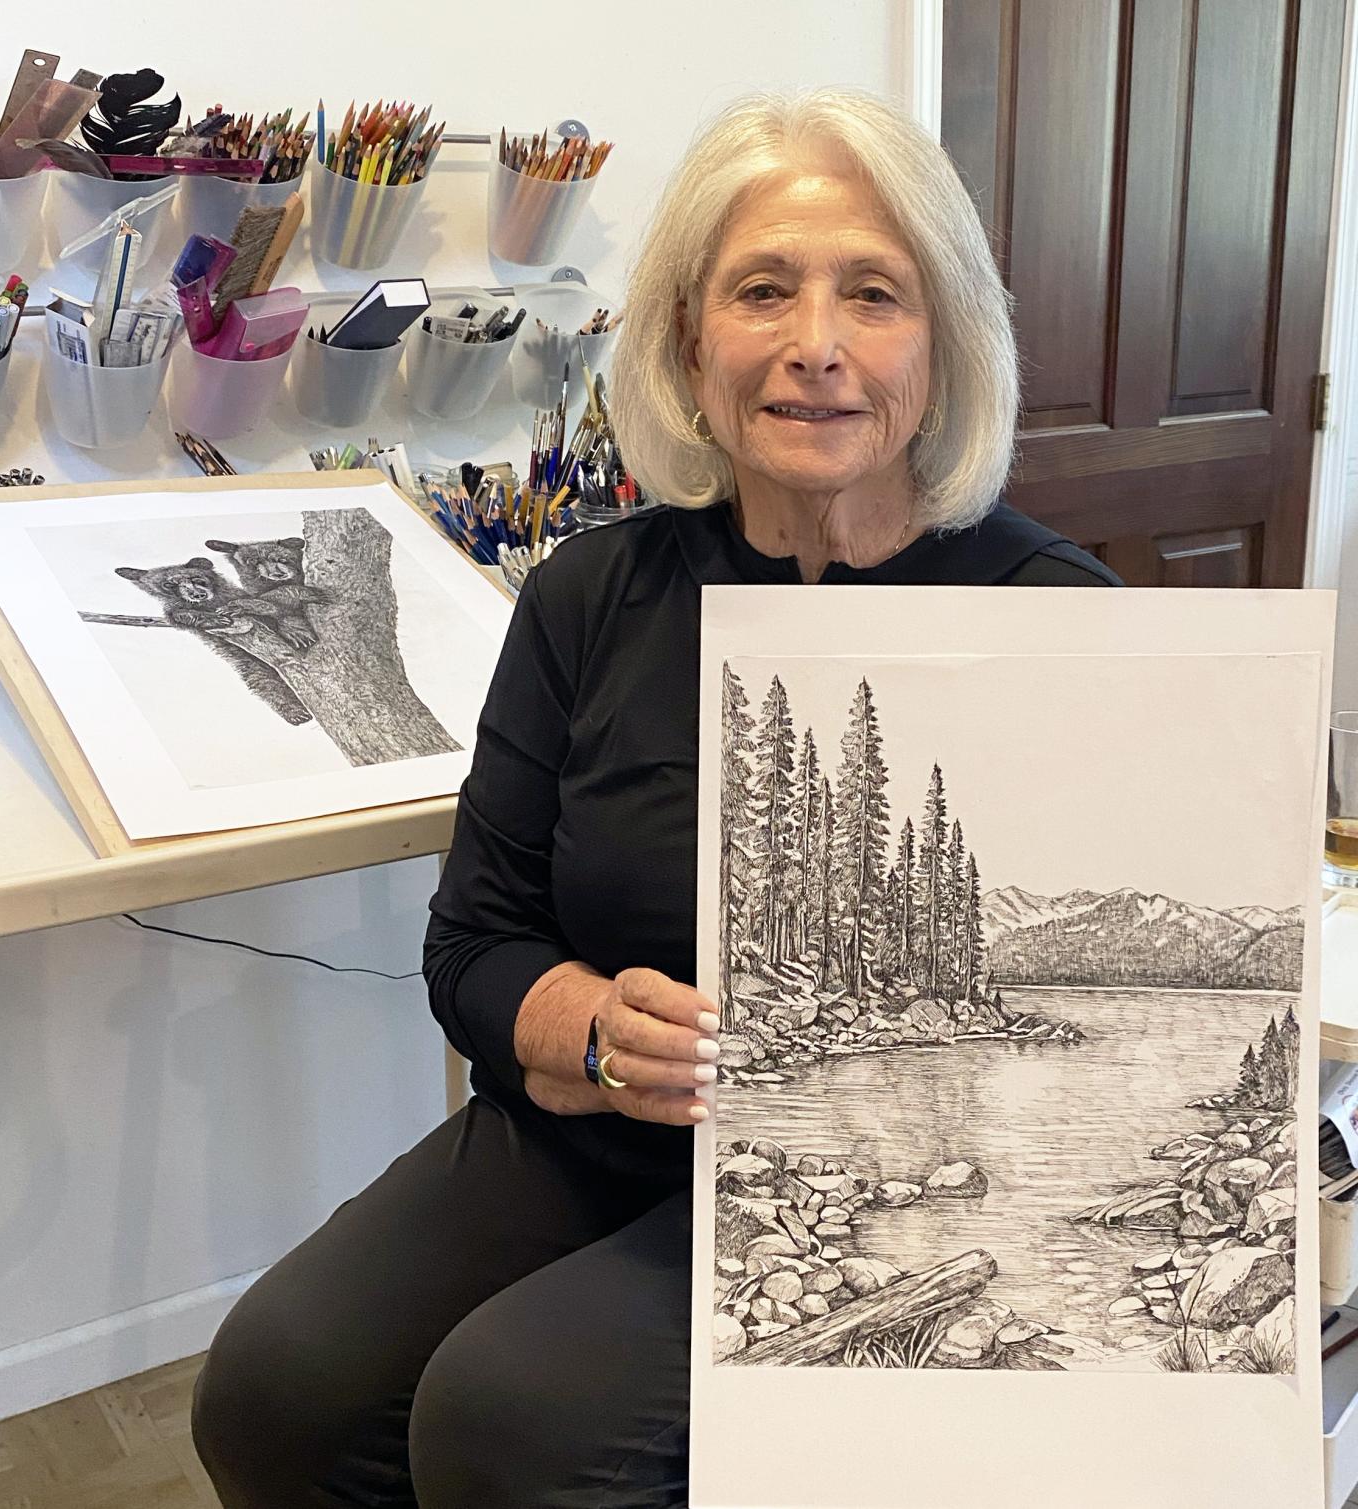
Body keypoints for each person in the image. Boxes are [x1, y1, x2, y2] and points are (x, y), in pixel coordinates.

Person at [190, 88, 1120, 1508]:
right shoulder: (590, 594)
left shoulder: (1053, 618)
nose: (817, 345)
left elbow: (1101, 993)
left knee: (511, 1421)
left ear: (944, 340)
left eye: (874, 292)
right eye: (764, 290)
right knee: (275, 1389)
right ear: (692, 339)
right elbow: (475, 942)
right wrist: (597, 1029)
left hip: (868, 1169)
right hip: (597, 1123)